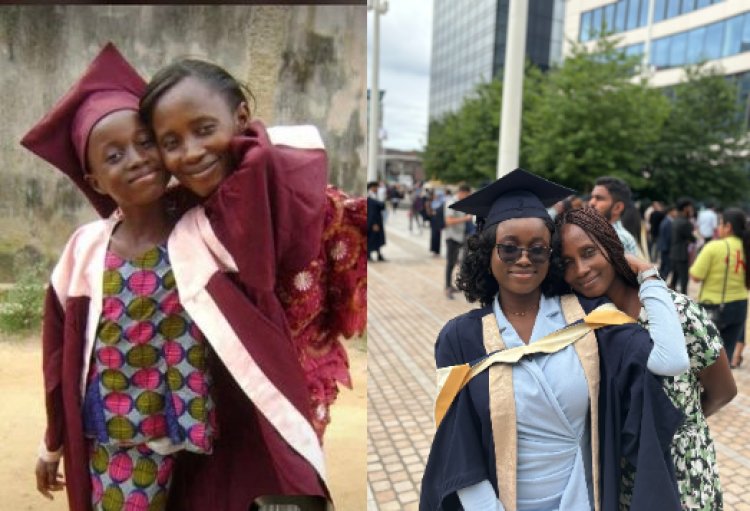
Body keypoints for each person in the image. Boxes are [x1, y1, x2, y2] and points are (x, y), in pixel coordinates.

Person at [25, 44, 342, 511]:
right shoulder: (84, 251)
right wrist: (53, 440)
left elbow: (269, 171)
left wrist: (237, 136)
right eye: (114, 155)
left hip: (196, 429)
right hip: (120, 439)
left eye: (147, 143)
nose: (136, 159)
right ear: (93, 180)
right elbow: (58, 356)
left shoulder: (206, 228)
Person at [420, 168, 685, 511]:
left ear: (552, 255)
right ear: (487, 253)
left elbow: (671, 360)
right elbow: (458, 446)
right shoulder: (460, 337)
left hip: (581, 498)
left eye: (538, 249)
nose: (525, 259)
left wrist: (648, 276)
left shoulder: (589, 321)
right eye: (509, 249)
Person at [555, 207, 736, 510]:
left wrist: (679, 424)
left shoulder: (675, 312)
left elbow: (723, 391)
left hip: (681, 471)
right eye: (567, 263)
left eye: (589, 252)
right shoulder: (581, 321)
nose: (582, 269)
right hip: (620, 470)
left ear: (612, 248)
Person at [690, 208, 750, 365]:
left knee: (704, 356)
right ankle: (722, 387)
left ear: (728, 226)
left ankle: (706, 389)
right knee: (726, 355)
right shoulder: (747, 247)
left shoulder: (714, 247)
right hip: (740, 305)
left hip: (713, 307)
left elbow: (695, 276)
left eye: (720, 224)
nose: (718, 228)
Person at [588, 176, 640, 256]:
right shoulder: (597, 232)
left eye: (599, 198)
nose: (591, 202)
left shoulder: (618, 238)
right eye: (592, 197)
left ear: (617, 207)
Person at [444, 185, 472, 300]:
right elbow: (448, 221)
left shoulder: (462, 203)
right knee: (450, 263)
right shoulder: (451, 203)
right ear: (462, 192)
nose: (467, 197)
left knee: (461, 261)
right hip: (452, 237)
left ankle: (455, 285)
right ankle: (447, 288)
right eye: (467, 195)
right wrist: (465, 219)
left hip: (461, 236)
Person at [670, 198, 696, 294]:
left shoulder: (675, 220)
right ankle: (684, 300)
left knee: (674, 279)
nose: (691, 210)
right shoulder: (686, 222)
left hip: (674, 253)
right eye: (690, 207)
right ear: (685, 208)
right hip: (682, 254)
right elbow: (693, 238)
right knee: (684, 280)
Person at [366, 181, 387, 261]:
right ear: (372, 188)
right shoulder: (370, 197)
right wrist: (374, 223)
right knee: (372, 238)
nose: (377, 189)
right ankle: (368, 255)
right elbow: (372, 212)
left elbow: (382, 206)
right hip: (373, 221)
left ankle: (379, 255)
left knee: (377, 238)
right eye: (376, 187)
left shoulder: (375, 196)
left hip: (377, 220)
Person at [658, 205, 677, 279]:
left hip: (664, 247)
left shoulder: (667, 220)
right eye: (675, 211)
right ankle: (661, 282)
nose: (676, 213)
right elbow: (668, 237)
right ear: (670, 212)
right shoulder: (668, 222)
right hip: (666, 248)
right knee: (667, 267)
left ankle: (660, 282)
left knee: (664, 266)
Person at [427, 189, 446, 256]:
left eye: (437, 195)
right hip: (433, 221)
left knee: (437, 236)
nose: (435, 196)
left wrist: (436, 213)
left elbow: (442, 212)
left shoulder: (443, 202)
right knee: (433, 236)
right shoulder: (434, 202)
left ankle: (437, 251)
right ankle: (433, 250)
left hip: (439, 221)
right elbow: (430, 211)